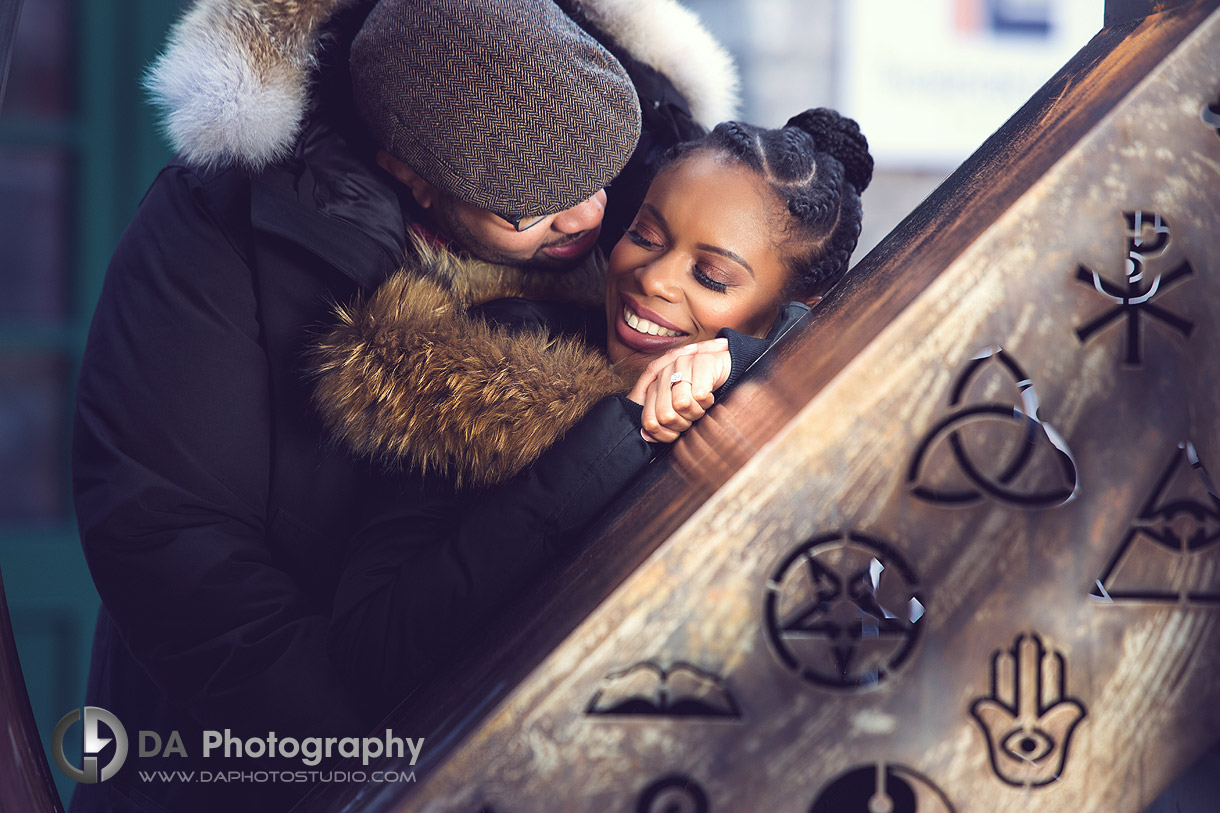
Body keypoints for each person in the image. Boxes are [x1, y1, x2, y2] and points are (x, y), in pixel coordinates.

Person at [70, 0, 736, 810]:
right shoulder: (216, 229)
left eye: (598, 177)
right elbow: (172, 539)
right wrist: (375, 771)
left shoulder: (632, 166)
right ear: (406, 173)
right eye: (531, 205)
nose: (590, 215)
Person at [310, 108, 874, 723]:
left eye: (709, 275)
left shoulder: (821, 438)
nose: (651, 277)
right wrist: (620, 435)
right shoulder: (493, 363)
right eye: (646, 236)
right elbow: (371, 648)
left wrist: (749, 362)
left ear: (796, 308)